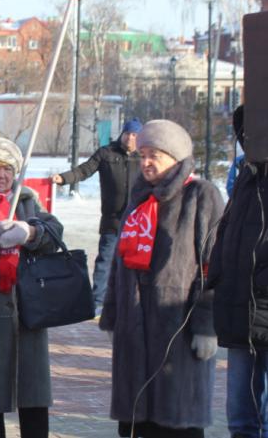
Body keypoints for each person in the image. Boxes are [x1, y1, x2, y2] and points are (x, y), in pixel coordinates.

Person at [99, 119, 223, 438]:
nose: (146, 162)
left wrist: (207, 326)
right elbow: (119, 264)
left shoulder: (200, 196)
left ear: (175, 157)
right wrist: (113, 316)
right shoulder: (138, 199)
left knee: (176, 424)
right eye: (142, 154)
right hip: (134, 333)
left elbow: (214, 267)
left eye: (154, 154)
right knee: (138, 423)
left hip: (178, 333)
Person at [0, 137, 63, 438]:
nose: (0, 174)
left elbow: (54, 232)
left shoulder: (27, 199)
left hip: (26, 309)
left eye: (7, 168)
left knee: (33, 392)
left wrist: (31, 232)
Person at [208, 104, 268, 438]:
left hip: (262, 300)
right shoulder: (246, 173)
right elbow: (228, 229)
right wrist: (216, 274)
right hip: (239, 304)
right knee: (241, 416)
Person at [52, 117, 142, 312]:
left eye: (134, 135)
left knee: (137, 261)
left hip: (139, 222)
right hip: (112, 219)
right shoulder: (106, 153)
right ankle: (99, 301)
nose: (130, 138)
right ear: (122, 134)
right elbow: (85, 170)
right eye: (127, 134)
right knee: (106, 259)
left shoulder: (144, 157)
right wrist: (64, 178)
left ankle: (134, 301)